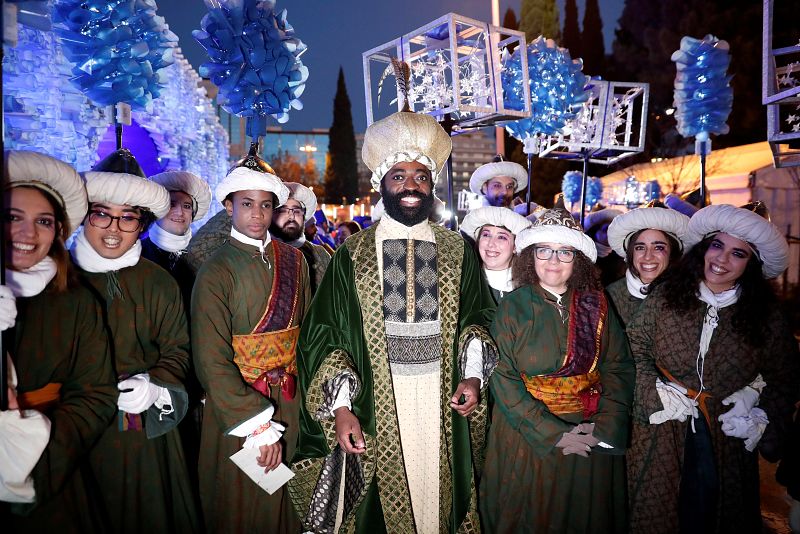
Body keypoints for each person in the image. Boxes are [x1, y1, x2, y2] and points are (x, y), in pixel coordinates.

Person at [290, 107, 498, 533]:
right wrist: (342, 407)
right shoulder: (353, 253)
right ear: (381, 183)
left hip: (442, 399)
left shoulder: (459, 250)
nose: (410, 186)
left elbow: (479, 317)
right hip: (376, 400)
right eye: (399, 176)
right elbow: (327, 334)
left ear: (432, 185)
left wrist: (473, 377)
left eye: (420, 176)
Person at [626, 203, 800, 533]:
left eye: (738, 253)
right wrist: (653, 390)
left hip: (725, 435)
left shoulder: (767, 316)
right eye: (717, 245)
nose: (721, 260)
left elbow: (787, 377)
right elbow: (633, 349)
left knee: (716, 516)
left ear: (752, 264)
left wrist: (760, 413)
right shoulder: (667, 296)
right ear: (705, 247)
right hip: (663, 428)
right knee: (658, 512)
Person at [480, 207, 634, 533]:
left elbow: (618, 367)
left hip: (588, 433)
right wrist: (555, 434)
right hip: (526, 436)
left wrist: (604, 428)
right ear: (531, 257)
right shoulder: (513, 306)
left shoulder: (597, 304)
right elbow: (502, 378)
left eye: (564, 252)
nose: (553, 260)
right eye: (544, 251)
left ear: (576, 259)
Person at [70, 149, 200, 532]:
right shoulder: (57, 280)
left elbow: (179, 348)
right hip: (75, 437)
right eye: (102, 213)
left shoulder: (158, 282)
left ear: (140, 223)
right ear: (85, 215)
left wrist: (156, 384)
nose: (114, 228)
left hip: (144, 438)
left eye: (127, 217)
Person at [191, 149, 312, 533]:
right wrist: (256, 427)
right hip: (239, 410)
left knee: (289, 506)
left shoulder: (296, 262)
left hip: (291, 404)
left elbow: (308, 336)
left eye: (265, 205)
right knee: (244, 507)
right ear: (229, 206)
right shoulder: (215, 271)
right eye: (246, 204)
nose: (257, 214)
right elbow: (211, 359)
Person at [1, 150, 117, 532]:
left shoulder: (75, 301)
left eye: (43, 221)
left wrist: (38, 458)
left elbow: (95, 394)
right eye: (12, 217)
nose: (28, 234)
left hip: (49, 475)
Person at [605, 201, 689, 327]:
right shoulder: (610, 297)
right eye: (640, 248)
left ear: (672, 253)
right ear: (630, 253)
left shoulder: (688, 296)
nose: (648, 257)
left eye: (658, 248)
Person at [142, 170, 212, 309]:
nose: (180, 212)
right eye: (172, 204)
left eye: (187, 206)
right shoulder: (136, 255)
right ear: (157, 210)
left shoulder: (206, 258)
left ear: (192, 215)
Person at [460, 206, 531, 303]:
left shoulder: (529, 289)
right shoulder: (463, 282)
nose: (491, 243)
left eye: (501, 237)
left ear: (515, 247)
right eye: (486, 235)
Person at [270, 181, 331, 294]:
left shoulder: (320, 254)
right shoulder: (259, 252)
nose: (291, 216)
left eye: (297, 211)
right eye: (283, 210)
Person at [583, 206, 626, 286]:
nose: (610, 234)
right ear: (595, 231)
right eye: (606, 229)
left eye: (614, 230)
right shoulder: (582, 255)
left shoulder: (620, 259)